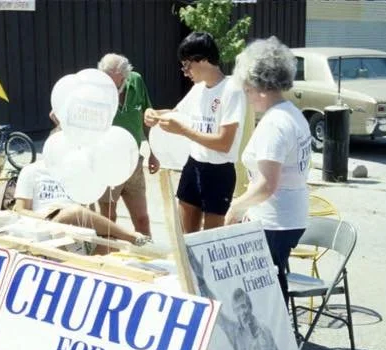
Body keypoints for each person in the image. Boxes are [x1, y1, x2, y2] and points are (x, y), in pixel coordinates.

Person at [226, 37, 312, 300]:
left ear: (261, 87)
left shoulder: (274, 124)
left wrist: (236, 207)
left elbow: (267, 185)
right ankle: (279, 336)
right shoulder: (293, 114)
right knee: (271, 282)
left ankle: (278, 339)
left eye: (248, 91)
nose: (248, 98)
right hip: (289, 216)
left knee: (265, 290)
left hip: (275, 219)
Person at [144, 31, 246, 233]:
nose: (184, 71)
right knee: (185, 238)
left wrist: (183, 131)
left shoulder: (232, 90)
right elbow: (175, 113)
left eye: (186, 64)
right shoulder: (198, 89)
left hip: (219, 171)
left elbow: (224, 142)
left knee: (210, 243)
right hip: (194, 165)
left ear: (204, 60)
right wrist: (153, 113)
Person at [13, 161, 151, 252]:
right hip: (47, 221)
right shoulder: (32, 170)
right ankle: (131, 236)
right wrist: (43, 216)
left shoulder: (74, 171)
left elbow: (88, 208)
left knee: (110, 247)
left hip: (75, 225)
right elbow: (19, 210)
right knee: (73, 211)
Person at [96, 53, 159, 236]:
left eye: (117, 81)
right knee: (109, 220)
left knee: (142, 218)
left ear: (125, 76)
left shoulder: (136, 81)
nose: (113, 86)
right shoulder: (96, 88)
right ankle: (108, 258)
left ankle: (148, 256)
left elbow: (147, 118)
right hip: (107, 164)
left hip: (134, 162)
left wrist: (154, 153)